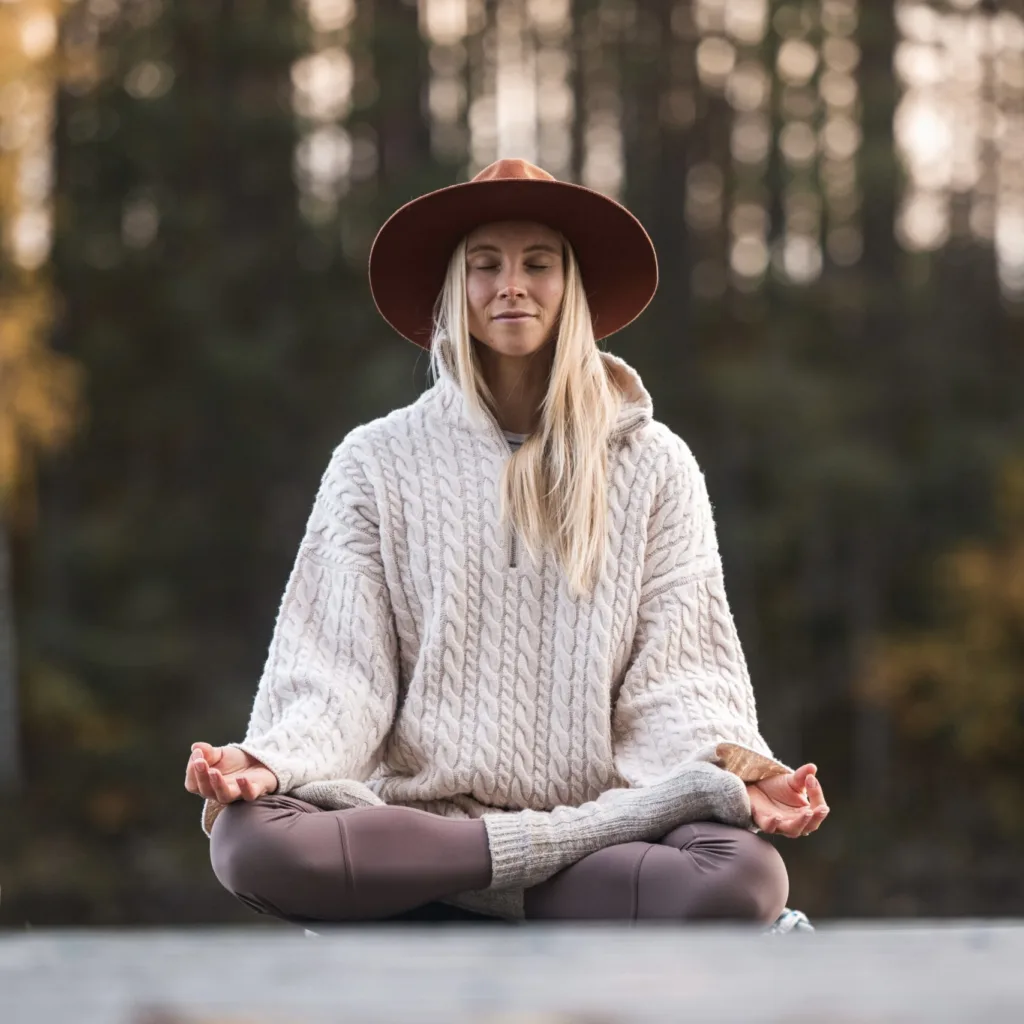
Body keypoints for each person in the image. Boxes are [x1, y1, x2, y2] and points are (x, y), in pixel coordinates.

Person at [184, 159, 829, 926]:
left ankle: (432, 916)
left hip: (582, 839)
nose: (511, 285)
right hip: (419, 822)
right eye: (485, 265)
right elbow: (337, 672)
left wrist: (734, 772)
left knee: (742, 874)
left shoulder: (656, 465)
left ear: (572, 286)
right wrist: (273, 759)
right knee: (251, 842)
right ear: (458, 289)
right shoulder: (375, 461)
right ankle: (511, 906)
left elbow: (679, 678)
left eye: (537, 263)